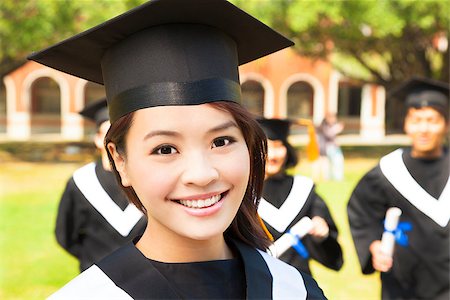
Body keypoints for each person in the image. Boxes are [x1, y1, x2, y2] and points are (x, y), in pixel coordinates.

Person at [29, 0, 326, 298]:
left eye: (221, 141)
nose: (201, 174)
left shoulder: (294, 290)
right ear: (120, 160)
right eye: (165, 149)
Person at [347, 77, 449, 300]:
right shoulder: (388, 171)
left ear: (446, 125)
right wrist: (374, 246)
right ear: (406, 124)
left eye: (432, 120)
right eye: (416, 120)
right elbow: (362, 214)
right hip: (401, 288)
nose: (423, 128)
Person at [55, 98, 147, 272]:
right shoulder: (81, 182)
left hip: (148, 276)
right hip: (96, 278)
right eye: (107, 133)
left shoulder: (150, 179)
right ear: (97, 139)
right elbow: (65, 236)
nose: (115, 140)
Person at [257, 118, 343, 276]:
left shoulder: (303, 189)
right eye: (266, 147)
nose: (273, 155)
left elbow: (334, 257)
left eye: (279, 146)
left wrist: (321, 236)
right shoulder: (243, 195)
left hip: (299, 282)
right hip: (257, 284)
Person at [317, 113, 344, 181]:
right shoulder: (325, 126)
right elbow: (328, 135)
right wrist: (336, 130)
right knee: (333, 162)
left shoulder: (331, 126)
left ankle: (336, 177)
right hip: (329, 148)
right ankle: (332, 178)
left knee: (336, 162)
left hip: (333, 147)